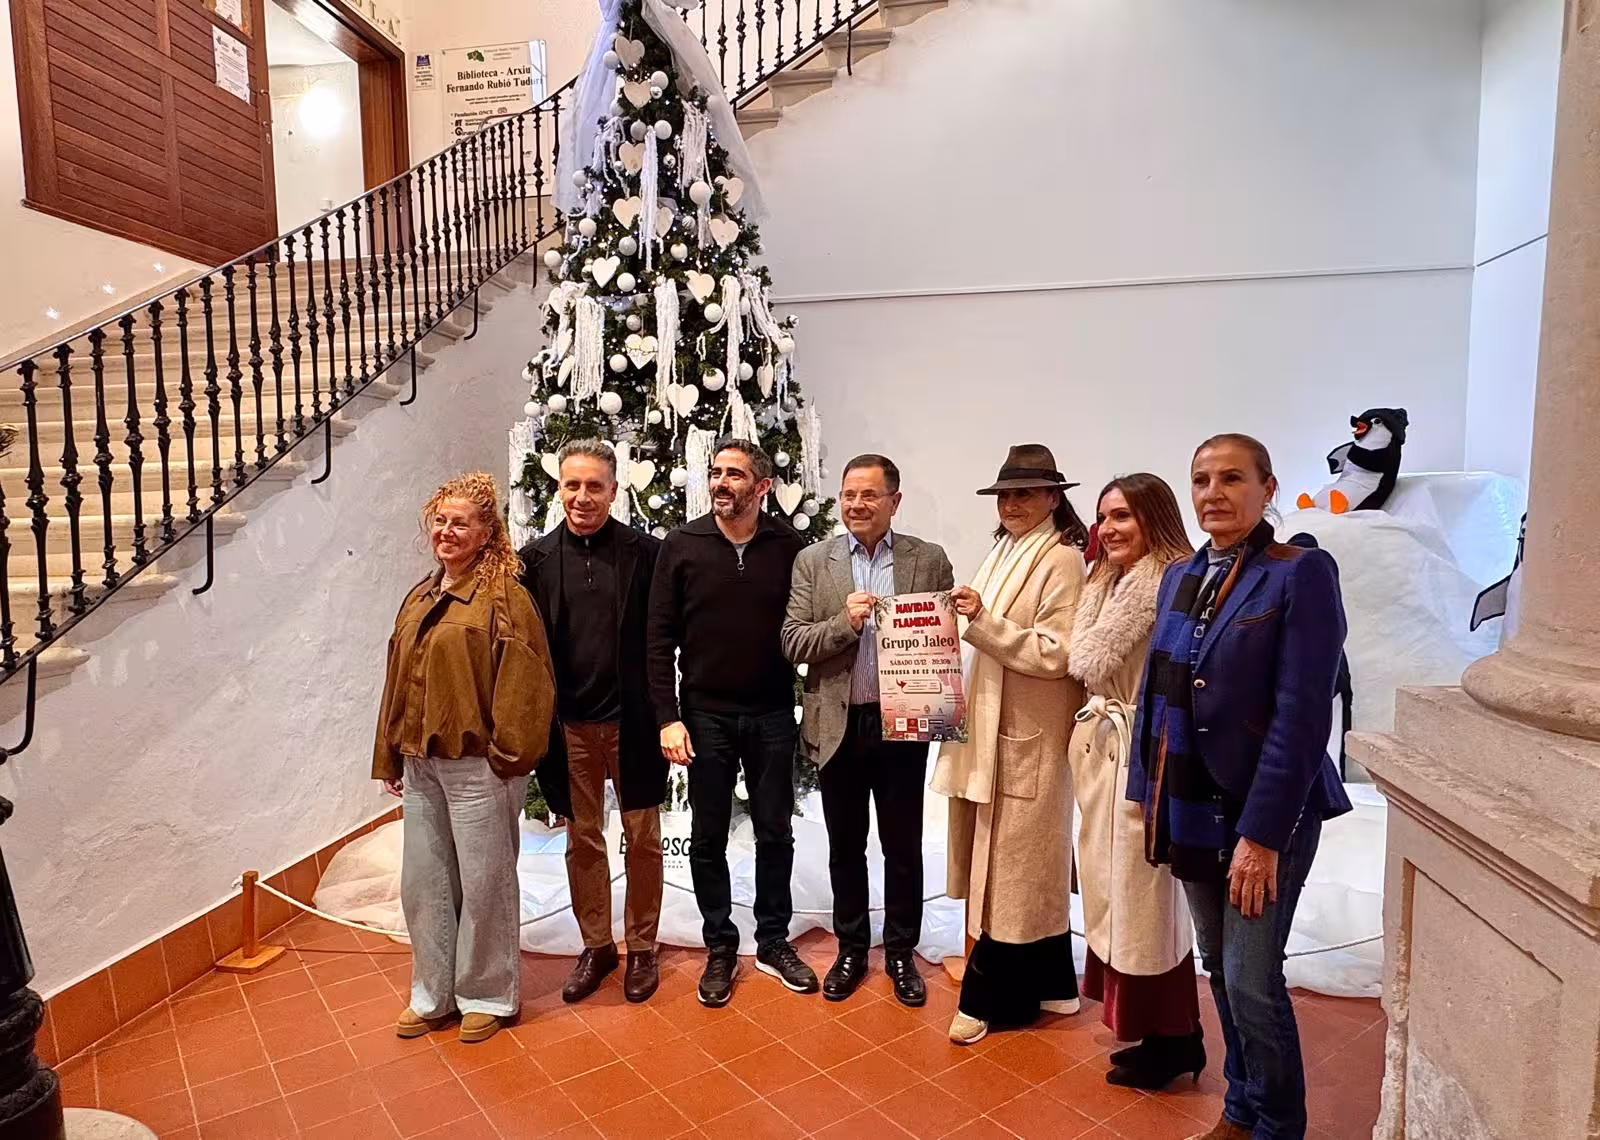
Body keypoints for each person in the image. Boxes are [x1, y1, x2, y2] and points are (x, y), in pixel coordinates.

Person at [1126, 434, 1352, 1140]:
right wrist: (1145, 796)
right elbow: (1156, 696)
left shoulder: (1299, 572)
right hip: (1191, 806)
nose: (1213, 493)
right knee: (1219, 972)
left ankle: (1279, 1124)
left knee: (1253, 980)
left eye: (1231, 479)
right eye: (1200, 480)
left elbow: (1302, 715)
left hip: (1265, 810)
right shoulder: (1178, 577)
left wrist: (1261, 836)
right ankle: (1240, 1107)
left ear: (1267, 488)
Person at [373, 473, 556, 1045]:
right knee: (424, 884)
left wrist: (508, 759)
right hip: (422, 762)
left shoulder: (505, 596)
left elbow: (527, 681)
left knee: (484, 884)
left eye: (461, 523)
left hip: (479, 764)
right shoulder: (421, 595)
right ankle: (433, 993)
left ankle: (488, 994)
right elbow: (397, 679)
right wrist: (391, 756)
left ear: (486, 534)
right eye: (440, 521)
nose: (447, 532)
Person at [646, 438, 817, 1007]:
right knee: (707, 837)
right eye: (715, 472)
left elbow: (806, 629)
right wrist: (669, 719)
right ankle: (720, 944)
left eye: (735, 474)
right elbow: (658, 642)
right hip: (706, 717)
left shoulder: (789, 547)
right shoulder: (683, 545)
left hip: (772, 714)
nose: (721, 482)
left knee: (776, 833)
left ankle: (772, 940)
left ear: (762, 487)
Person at [782, 454, 955, 1006]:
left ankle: (902, 951)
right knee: (845, 845)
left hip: (903, 722)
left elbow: (944, 637)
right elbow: (792, 640)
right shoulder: (815, 560)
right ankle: (852, 947)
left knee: (903, 843)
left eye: (869, 495)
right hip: (840, 723)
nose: (856, 504)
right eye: (849, 495)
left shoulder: (927, 560)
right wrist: (845, 624)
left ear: (893, 501)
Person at [931, 443, 1089, 1045]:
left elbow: (1059, 652)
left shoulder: (1062, 560)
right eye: (1006, 494)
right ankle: (1053, 984)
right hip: (999, 730)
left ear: (1053, 496)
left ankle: (987, 998)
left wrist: (982, 621)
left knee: (1012, 873)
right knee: (1026, 869)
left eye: (1025, 493)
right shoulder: (1008, 548)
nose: (1013, 504)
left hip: (1031, 738)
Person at [1067, 474, 1203, 1089]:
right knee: (1113, 895)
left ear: (1154, 517)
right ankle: (1154, 1032)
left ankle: (1176, 1036)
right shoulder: (1106, 581)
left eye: (1122, 515)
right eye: (1103, 517)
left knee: (1148, 901)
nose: (1110, 528)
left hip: (1144, 757)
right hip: (1103, 753)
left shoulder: (1173, 580)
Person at [519, 440, 666, 1004]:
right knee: (583, 840)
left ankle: (644, 947)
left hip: (635, 722)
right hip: (570, 727)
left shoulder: (645, 554)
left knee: (644, 839)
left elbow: (664, 639)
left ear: (614, 488)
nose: (582, 496)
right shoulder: (533, 561)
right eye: (572, 485)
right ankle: (598, 945)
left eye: (594, 486)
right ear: (559, 487)